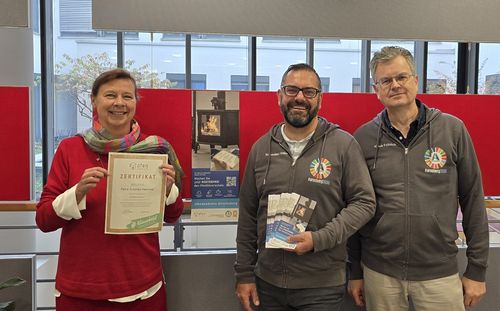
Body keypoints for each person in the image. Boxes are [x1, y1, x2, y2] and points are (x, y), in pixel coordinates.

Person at [347, 46, 489, 311]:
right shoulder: (363, 138)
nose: (395, 85)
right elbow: (356, 207)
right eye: (386, 80)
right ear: (375, 89)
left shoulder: (452, 129)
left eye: (401, 77)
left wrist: (477, 269)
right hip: (380, 272)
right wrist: (355, 270)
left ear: (415, 80)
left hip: (439, 272)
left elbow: (472, 199)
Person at [36, 68, 184, 310]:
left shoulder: (155, 149)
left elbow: (173, 216)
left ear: (136, 101)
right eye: (110, 95)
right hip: (81, 291)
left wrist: (168, 191)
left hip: (143, 289)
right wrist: (77, 192)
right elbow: (44, 220)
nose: (119, 103)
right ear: (94, 100)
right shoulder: (70, 149)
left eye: (127, 96)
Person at [234, 63, 376, 311]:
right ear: (279, 96)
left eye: (309, 92)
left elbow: (364, 203)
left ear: (320, 100)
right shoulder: (261, 148)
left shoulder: (343, 145)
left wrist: (320, 238)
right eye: (291, 90)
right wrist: (244, 274)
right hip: (268, 285)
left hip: (321, 287)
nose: (299, 97)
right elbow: (247, 215)